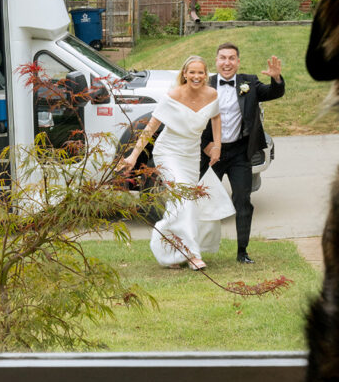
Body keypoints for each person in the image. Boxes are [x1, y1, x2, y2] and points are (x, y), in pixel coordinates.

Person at [120, 55, 233, 271]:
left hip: (191, 156)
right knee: (185, 200)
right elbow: (151, 127)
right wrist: (133, 156)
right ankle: (192, 255)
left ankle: (171, 252)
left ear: (206, 74)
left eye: (201, 72)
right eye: (192, 72)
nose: (196, 76)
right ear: (184, 74)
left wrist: (217, 144)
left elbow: (216, 117)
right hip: (168, 153)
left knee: (178, 204)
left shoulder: (211, 95)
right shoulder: (172, 96)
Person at [201, 42, 285, 264]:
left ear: (238, 62)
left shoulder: (249, 82)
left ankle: (242, 252)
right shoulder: (205, 84)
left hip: (240, 152)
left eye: (231, 58)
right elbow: (193, 120)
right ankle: (196, 249)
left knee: (243, 201)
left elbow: (273, 93)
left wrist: (276, 79)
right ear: (216, 61)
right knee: (201, 199)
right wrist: (205, 145)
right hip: (211, 153)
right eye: (223, 58)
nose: (227, 62)